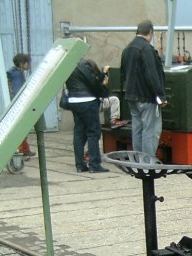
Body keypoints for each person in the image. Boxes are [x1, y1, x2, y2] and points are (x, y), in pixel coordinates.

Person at [120, 21, 166, 157]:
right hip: (147, 97)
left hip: (131, 96)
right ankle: (147, 162)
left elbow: (123, 73)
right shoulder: (147, 49)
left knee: (137, 130)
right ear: (150, 32)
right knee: (150, 131)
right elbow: (152, 75)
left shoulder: (127, 49)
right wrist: (160, 96)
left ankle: (138, 161)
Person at [66, 58, 110, 173]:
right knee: (93, 133)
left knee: (79, 133)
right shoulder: (83, 64)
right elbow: (93, 83)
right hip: (88, 101)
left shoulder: (69, 64)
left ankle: (80, 165)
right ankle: (94, 164)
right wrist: (103, 81)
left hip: (74, 101)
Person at [6, 53, 35, 158]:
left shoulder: (13, 72)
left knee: (20, 127)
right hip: (17, 105)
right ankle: (23, 150)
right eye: (28, 63)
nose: (29, 65)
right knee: (21, 127)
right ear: (22, 63)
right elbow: (18, 91)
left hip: (13, 104)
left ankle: (25, 149)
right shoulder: (18, 74)